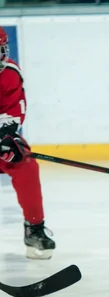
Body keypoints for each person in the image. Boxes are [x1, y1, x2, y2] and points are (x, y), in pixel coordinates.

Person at [0, 26, 56, 260]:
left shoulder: (10, 73)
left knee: (26, 165)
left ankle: (34, 228)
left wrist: (6, 139)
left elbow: (11, 115)